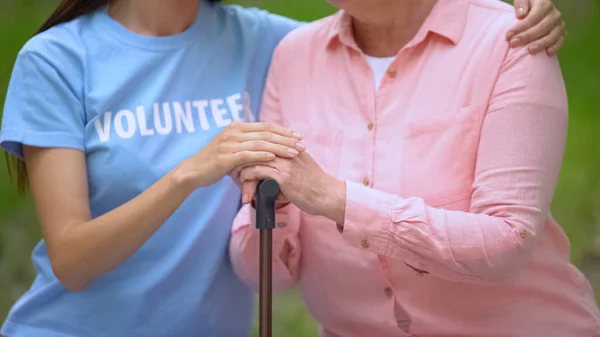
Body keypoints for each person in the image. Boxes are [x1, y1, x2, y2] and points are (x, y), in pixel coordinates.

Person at [0, 0, 565, 336]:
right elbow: (71, 260)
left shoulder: (268, 41)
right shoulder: (56, 60)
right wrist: (188, 174)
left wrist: (521, 13)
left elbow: (389, 28)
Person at [229, 0, 600, 337]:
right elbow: (269, 274)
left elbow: (506, 242)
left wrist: (335, 198)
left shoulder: (509, 39)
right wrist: (271, 206)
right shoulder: (294, 55)